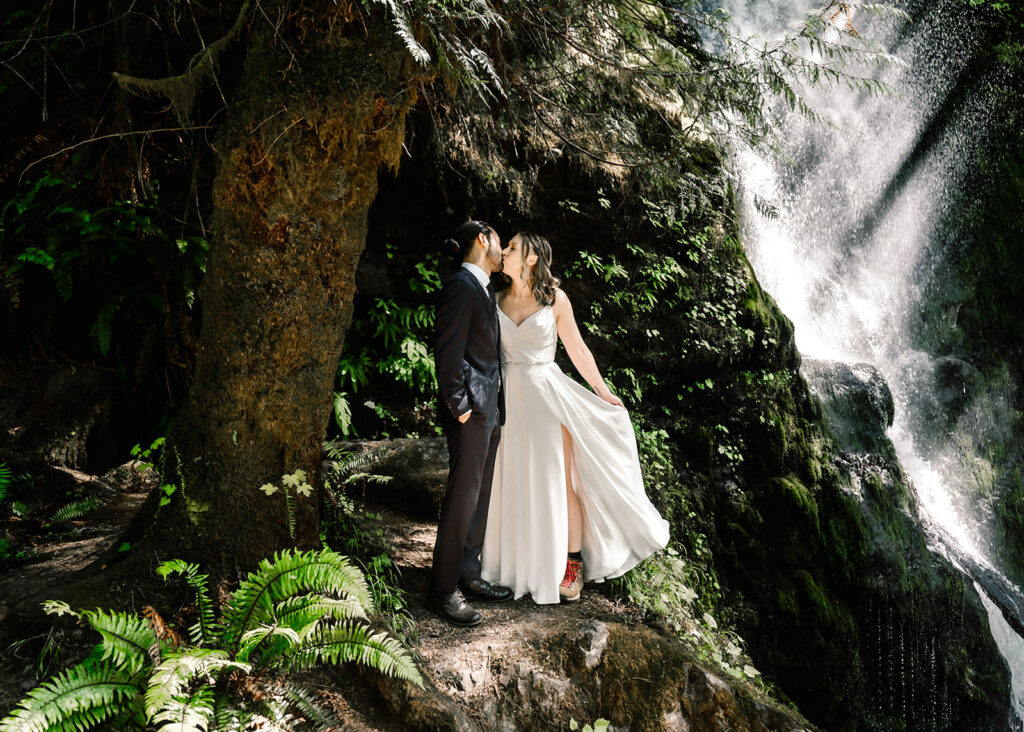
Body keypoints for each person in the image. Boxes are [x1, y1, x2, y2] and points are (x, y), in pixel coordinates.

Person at [481, 233, 669, 604]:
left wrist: (603, 392)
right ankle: (512, 564)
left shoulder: (555, 300)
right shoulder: (496, 296)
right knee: (511, 476)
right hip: (509, 397)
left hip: (547, 398)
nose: (505, 252)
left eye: (513, 248)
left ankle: (572, 563)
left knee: (559, 482)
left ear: (532, 259)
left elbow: (578, 349)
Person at [428, 220, 514, 626]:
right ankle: (443, 589)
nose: (502, 249)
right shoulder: (460, 287)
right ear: (483, 240)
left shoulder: (482, 289)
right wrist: (461, 406)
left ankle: (469, 573)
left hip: (487, 411)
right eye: (499, 241)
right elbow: (448, 355)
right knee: (463, 497)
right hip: (471, 412)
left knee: (479, 497)